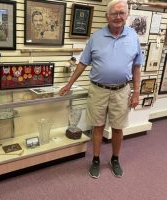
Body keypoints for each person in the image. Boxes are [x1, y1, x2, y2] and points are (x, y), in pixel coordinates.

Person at [59, 0, 143, 179]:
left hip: (122, 91)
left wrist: (136, 92)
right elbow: (82, 63)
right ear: (107, 16)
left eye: (121, 13)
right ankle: (96, 159)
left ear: (127, 15)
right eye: (114, 13)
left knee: (118, 128)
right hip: (98, 90)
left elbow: (137, 67)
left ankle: (115, 159)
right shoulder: (95, 38)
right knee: (97, 126)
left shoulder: (133, 37)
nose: (118, 17)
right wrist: (69, 84)